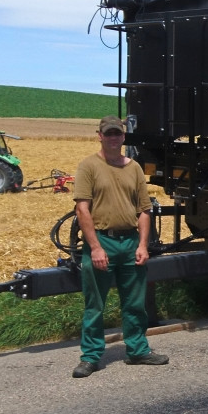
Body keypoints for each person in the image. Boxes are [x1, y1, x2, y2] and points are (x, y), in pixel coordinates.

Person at [71, 115, 168, 378]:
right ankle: (90, 357)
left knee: (135, 303)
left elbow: (145, 210)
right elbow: (82, 209)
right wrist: (95, 248)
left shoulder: (134, 167)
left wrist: (143, 245)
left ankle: (137, 350)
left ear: (123, 136)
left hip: (130, 242)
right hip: (102, 241)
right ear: (100, 136)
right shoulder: (89, 166)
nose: (113, 138)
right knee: (95, 304)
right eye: (108, 133)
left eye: (117, 133)